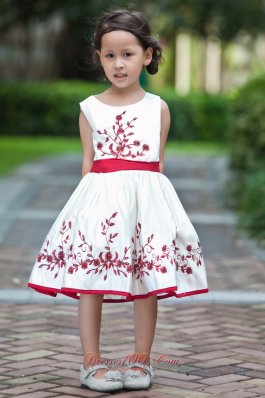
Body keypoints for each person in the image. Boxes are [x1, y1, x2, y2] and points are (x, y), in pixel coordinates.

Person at [28, 8, 208, 393]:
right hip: (99, 204)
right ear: (99, 58)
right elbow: (88, 166)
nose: (118, 63)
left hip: (145, 206)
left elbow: (155, 166)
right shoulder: (89, 109)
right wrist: (84, 217)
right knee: (90, 279)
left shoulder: (158, 108)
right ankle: (91, 363)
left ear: (146, 55)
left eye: (127, 54)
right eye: (109, 55)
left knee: (146, 279)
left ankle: (141, 361)